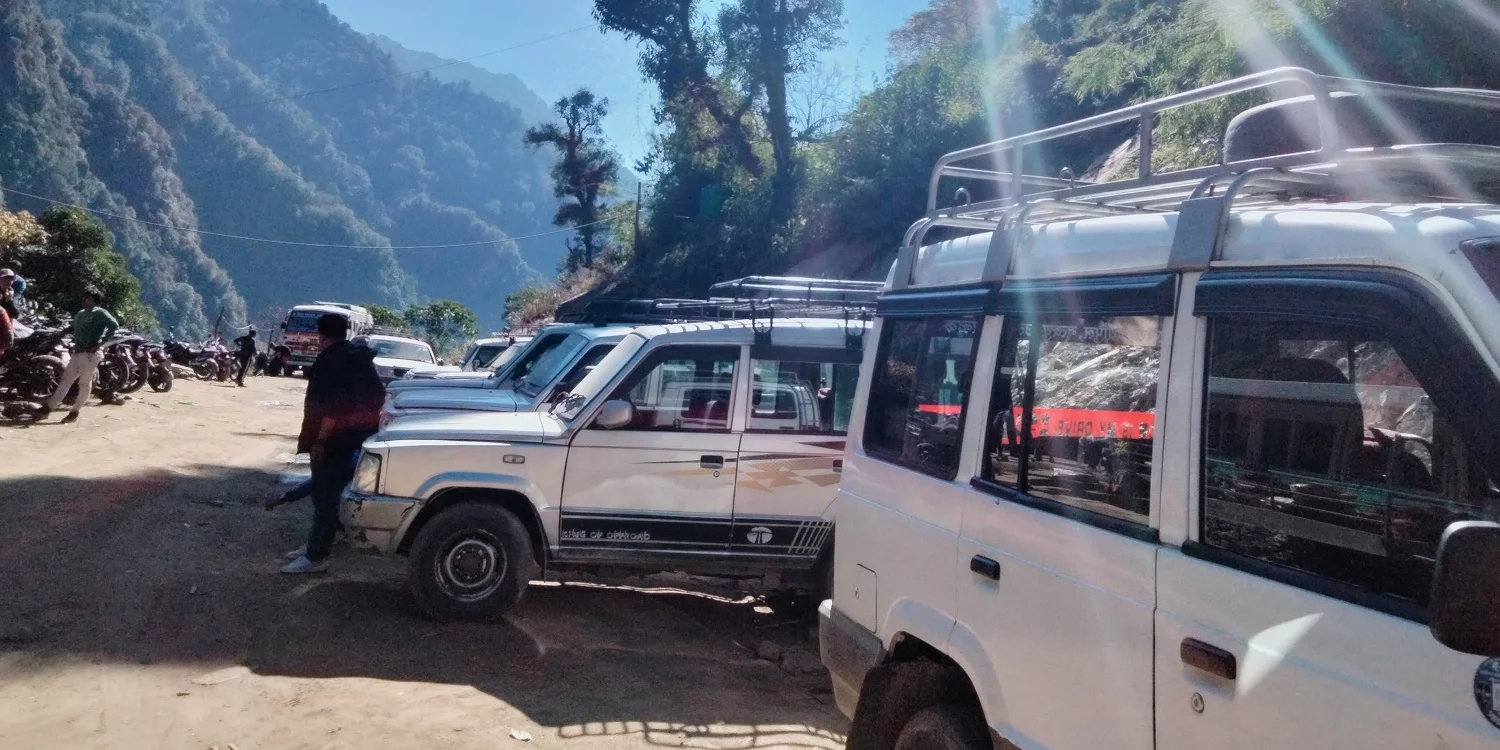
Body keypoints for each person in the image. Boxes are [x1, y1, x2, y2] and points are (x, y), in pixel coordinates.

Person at [282, 313, 382, 574]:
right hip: (356, 436)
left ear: (320, 335)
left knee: (324, 496)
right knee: (327, 493)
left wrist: (320, 441)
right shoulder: (357, 356)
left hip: (333, 439)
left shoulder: (331, 361)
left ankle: (316, 556)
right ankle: (315, 545)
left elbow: (332, 408)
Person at [37, 289, 118, 424]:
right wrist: (62, 332)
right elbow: (72, 327)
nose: (83, 300)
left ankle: (75, 411)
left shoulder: (99, 312)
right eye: (83, 297)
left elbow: (114, 325)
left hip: (90, 354)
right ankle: (48, 408)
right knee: (65, 380)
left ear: (93, 300)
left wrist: (101, 343)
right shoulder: (81, 314)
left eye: (86, 298)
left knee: (84, 383)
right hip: (78, 352)